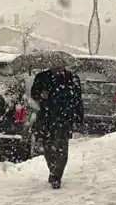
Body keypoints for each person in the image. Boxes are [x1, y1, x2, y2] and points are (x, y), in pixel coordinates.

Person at [30, 55, 84, 189]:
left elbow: (78, 98)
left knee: (62, 148)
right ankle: (52, 169)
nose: (58, 66)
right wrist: (40, 94)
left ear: (65, 64)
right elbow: (33, 93)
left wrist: (79, 116)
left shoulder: (72, 78)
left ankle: (56, 175)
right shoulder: (42, 77)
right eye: (55, 63)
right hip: (47, 117)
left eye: (61, 63)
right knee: (48, 148)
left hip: (65, 118)